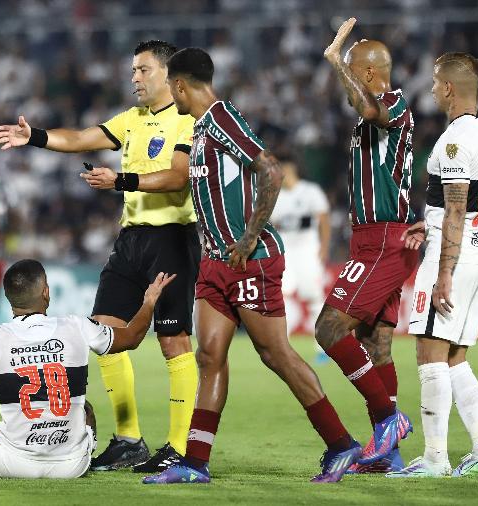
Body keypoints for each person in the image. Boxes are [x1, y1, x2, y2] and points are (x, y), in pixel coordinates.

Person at [142, 48, 362, 485]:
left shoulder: (222, 117)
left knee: (274, 353)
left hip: (251, 260)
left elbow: (271, 170)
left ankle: (341, 445)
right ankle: (196, 463)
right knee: (209, 355)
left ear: (180, 85)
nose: (171, 94)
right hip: (215, 262)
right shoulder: (200, 129)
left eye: (171, 86)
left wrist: (249, 236)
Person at [0, 40, 199, 473]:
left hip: (171, 238)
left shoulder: (186, 120)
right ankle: (129, 439)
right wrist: (35, 137)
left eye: (143, 70)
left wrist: (121, 180)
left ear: (167, 74)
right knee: (103, 335)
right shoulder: (131, 119)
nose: (135, 78)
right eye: (133, 71)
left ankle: (179, 447)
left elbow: (179, 178)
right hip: (130, 240)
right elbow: (83, 138)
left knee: (173, 341)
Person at [0, 259, 177, 478]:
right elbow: (132, 336)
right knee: (86, 407)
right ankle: (86, 448)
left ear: (9, 300)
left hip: (12, 462)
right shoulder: (77, 326)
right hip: (73, 465)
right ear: (46, 292)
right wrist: (149, 301)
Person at [388, 52, 478, 478]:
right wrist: (433, 221)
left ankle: (435, 458)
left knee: (429, 353)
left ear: (449, 88)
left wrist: (444, 273)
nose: (432, 89)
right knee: (456, 359)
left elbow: (456, 210)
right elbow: (474, 201)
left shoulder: (452, 141)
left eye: (436, 82)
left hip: (452, 259)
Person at [318, 17, 417, 472]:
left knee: (329, 329)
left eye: (356, 71)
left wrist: (337, 60)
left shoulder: (392, 102)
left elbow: (369, 108)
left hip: (382, 240)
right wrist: (342, 66)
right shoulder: (370, 113)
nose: (349, 80)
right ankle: (389, 457)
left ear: (373, 74)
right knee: (375, 342)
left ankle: (387, 421)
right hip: (373, 239)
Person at [269, 160, 331, 345]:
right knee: (282, 296)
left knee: (313, 296)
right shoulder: (275, 195)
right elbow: (269, 225)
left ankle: (322, 347)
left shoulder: (310, 191)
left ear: (291, 170)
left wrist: (324, 247)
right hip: (285, 251)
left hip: (307, 250)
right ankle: (282, 344)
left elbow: (324, 220)